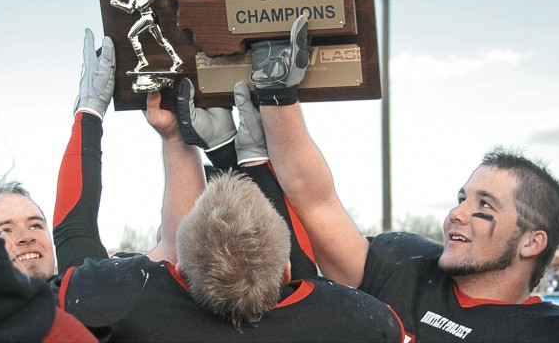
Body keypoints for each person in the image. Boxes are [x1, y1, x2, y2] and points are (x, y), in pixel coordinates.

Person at [48, 30, 404, 341]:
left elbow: (73, 243)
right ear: (285, 271)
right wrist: (240, 157)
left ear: (178, 269)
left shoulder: (128, 304)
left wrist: (89, 114)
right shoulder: (360, 321)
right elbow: (308, 284)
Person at [249, 14, 559, 341]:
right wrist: (276, 95)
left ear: (532, 242)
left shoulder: (551, 332)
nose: (456, 214)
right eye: (462, 199)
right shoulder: (406, 268)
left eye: (485, 205)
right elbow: (317, 202)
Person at [0, 98, 96, 343]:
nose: (25, 237)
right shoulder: (61, 334)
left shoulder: (96, 294)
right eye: (3, 231)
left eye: (35, 225)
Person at [110, 0, 182, 72]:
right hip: (150, 17)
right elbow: (130, 9)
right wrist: (117, 4)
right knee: (161, 40)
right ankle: (176, 59)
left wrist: (140, 5)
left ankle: (142, 60)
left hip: (147, 16)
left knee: (131, 36)